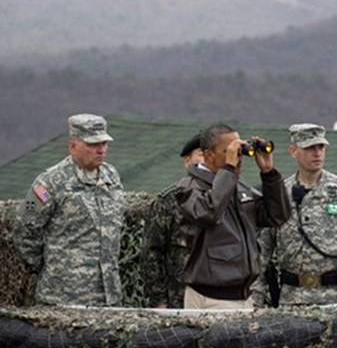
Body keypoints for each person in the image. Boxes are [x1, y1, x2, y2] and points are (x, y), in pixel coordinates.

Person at [255, 123, 337, 307]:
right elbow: (262, 251)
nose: (317, 153)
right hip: (291, 299)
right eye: (309, 148)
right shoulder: (279, 194)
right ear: (294, 151)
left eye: (321, 147)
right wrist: (256, 300)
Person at [174, 123, 291, 309]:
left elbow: (277, 216)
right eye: (229, 151)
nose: (237, 157)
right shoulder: (189, 187)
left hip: (244, 295)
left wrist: (269, 173)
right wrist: (228, 169)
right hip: (210, 298)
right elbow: (208, 212)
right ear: (208, 155)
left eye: (238, 150)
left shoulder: (238, 187)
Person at [12, 113, 125, 306]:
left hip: (108, 295)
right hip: (63, 297)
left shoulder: (111, 176)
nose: (101, 150)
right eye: (93, 145)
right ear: (73, 146)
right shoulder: (48, 183)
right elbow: (24, 229)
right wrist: (55, 267)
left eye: (104, 144)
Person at [142, 133, 204, 308]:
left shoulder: (228, 198)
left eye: (211, 154)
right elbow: (151, 253)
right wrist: (159, 300)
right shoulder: (169, 201)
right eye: (201, 154)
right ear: (187, 161)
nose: (207, 160)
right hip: (178, 299)